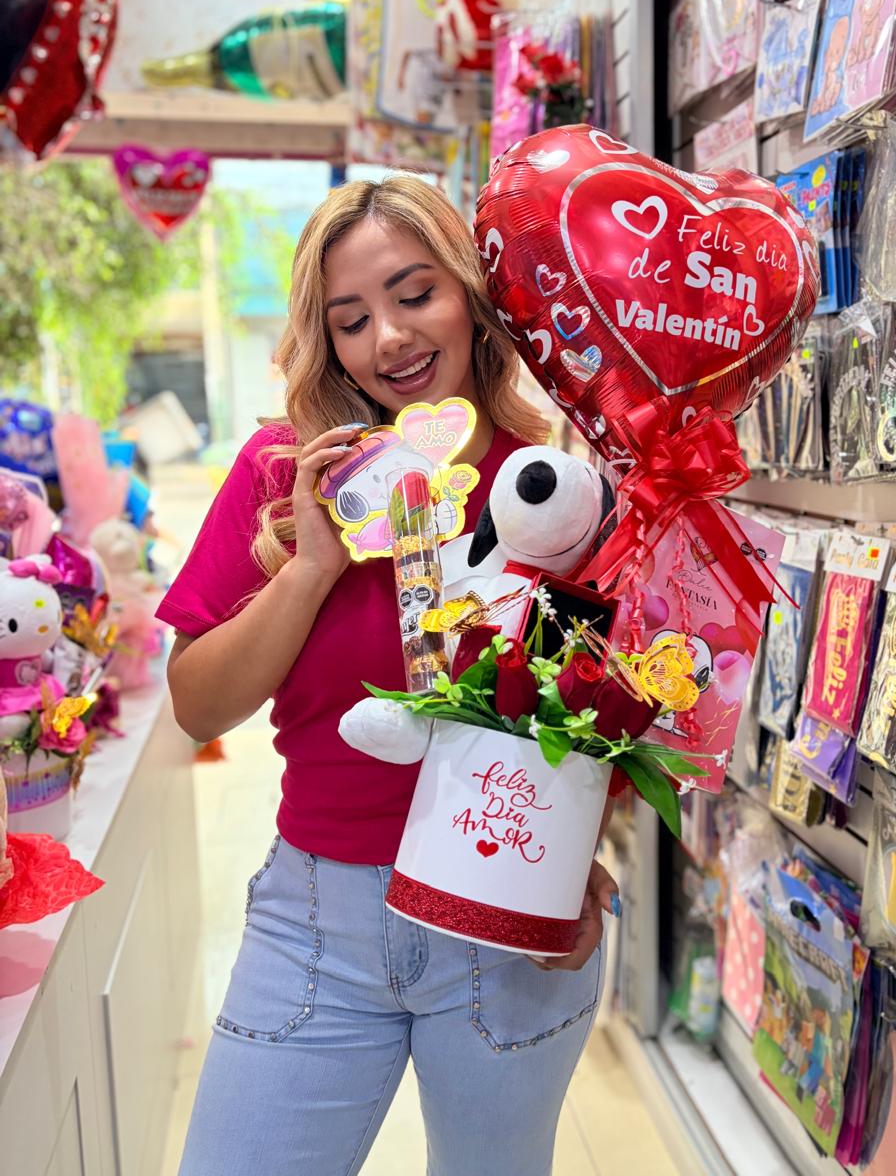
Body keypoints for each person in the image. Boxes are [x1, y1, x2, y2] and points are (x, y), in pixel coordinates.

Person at [158, 176, 620, 1175]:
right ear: (325, 341)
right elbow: (197, 705)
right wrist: (312, 565)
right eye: (351, 319)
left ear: (470, 296)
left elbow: (594, 726)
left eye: (415, 294)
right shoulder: (284, 474)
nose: (389, 339)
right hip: (315, 924)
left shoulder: (551, 492)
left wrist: (572, 865)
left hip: (506, 922)